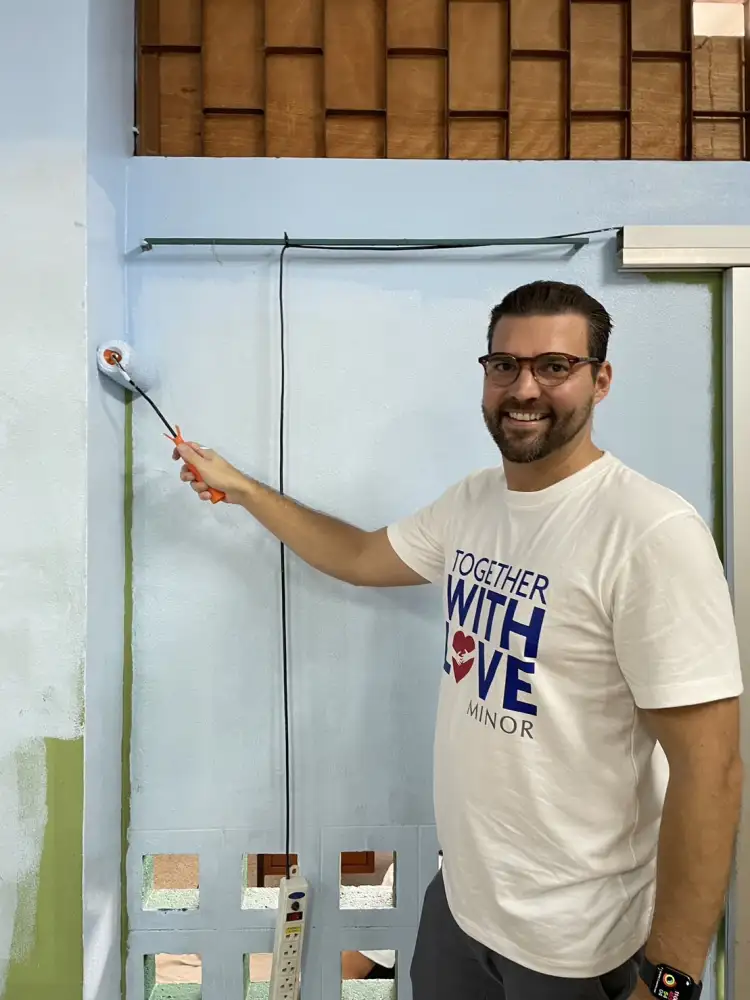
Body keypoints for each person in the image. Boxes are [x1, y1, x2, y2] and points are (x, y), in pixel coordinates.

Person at [173, 280, 743, 1000]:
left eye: (555, 366)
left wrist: (668, 981)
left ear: (601, 380)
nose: (524, 388)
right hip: (462, 904)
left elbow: (711, 772)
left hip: (575, 939)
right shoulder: (474, 502)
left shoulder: (649, 532)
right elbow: (359, 556)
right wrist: (244, 490)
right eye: (505, 365)